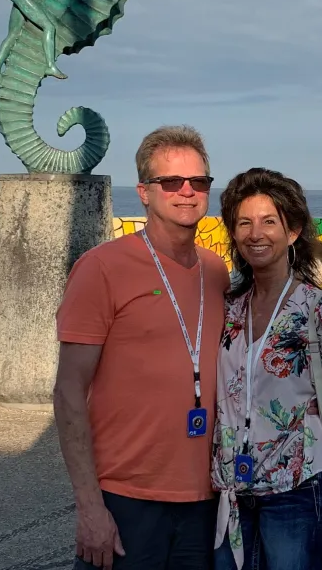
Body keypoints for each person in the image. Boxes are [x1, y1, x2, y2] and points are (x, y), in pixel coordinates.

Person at [53, 125, 230, 570]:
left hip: (206, 497)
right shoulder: (102, 268)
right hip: (126, 497)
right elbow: (69, 391)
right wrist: (90, 508)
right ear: (144, 192)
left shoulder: (215, 271)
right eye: (171, 182)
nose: (186, 192)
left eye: (198, 182)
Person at [210, 167, 322, 570]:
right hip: (230, 491)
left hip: (297, 493)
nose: (255, 234)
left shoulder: (317, 311)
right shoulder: (227, 309)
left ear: (292, 231)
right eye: (244, 223)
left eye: (268, 222)